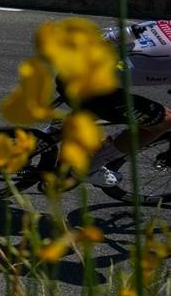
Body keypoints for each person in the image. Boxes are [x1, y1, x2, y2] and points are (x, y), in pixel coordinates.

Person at [62, 20, 171, 187]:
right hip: (90, 89)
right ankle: (88, 168)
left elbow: (117, 34)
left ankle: (55, 130)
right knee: (164, 121)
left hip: (71, 64)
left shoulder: (164, 23)